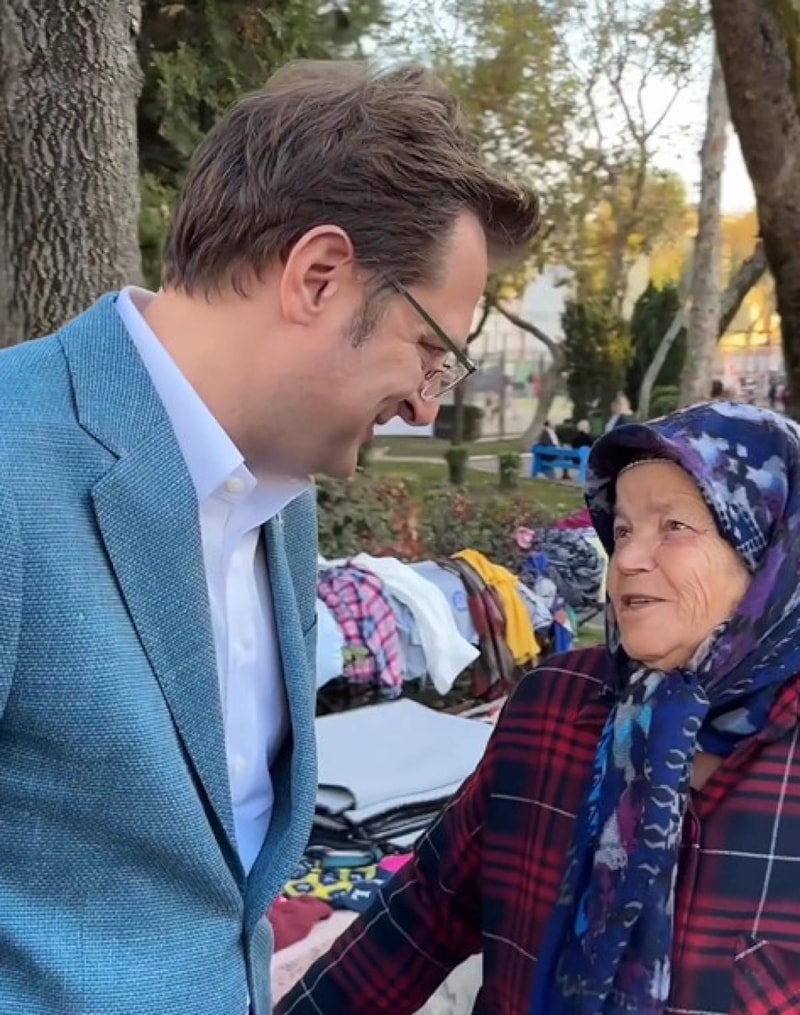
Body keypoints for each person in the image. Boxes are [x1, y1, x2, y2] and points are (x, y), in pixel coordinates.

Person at [0, 60, 539, 1015]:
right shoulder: (14, 462)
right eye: (431, 350)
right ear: (319, 276)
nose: (427, 403)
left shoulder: (280, 501)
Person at [277, 402, 800, 1015]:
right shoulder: (554, 706)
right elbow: (421, 915)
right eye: (623, 530)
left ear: (772, 553)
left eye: (674, 526)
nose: (628, 559)